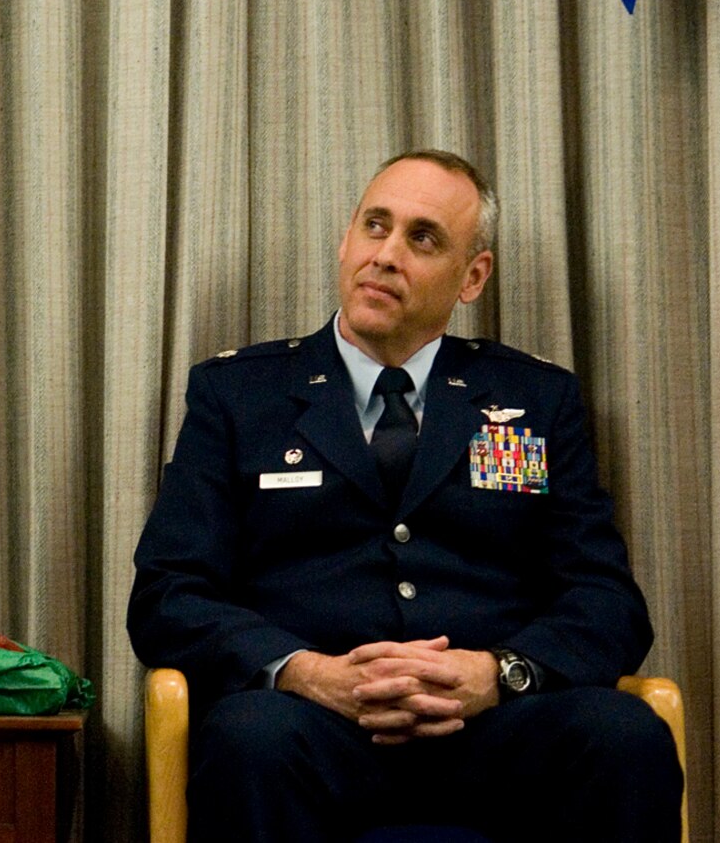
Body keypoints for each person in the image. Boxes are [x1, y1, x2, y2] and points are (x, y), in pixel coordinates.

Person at [127, 150, 681, 842]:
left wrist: (498, 674)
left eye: (422, 238)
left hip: (496, 730)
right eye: (375, 226)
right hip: (311, 727)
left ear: (472, 276)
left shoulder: (533, 399)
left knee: (625, 735)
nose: (385, 255)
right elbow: (168, 594)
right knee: (248, 740)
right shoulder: (239, 394)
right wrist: (307, 673)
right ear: (345, 239)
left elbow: (606, 599)